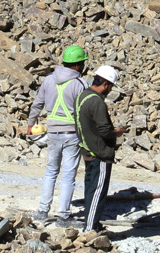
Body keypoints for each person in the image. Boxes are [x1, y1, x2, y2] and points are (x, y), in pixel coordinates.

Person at [27, 45, 90, 226]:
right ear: (77, 65)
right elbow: (85, 111)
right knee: (68, 175)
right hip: (72, 135)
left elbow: (37, 104)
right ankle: (64, 216)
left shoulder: (48, 80)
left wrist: (30, 124)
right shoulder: (81, 84)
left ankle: (42, 211)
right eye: (82, 63)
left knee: (51, 171)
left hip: (53, 133)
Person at [75, 65, 123, 233]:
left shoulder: (83, 96)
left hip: (88, 150)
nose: (110, 90)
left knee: (91, 189)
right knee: (97, 191)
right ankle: (90, 229)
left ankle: (92, 224)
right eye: (110, 87)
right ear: (105, 84)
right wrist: (116, 132)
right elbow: (104, 130)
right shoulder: (97, 102)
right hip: (99, 153)